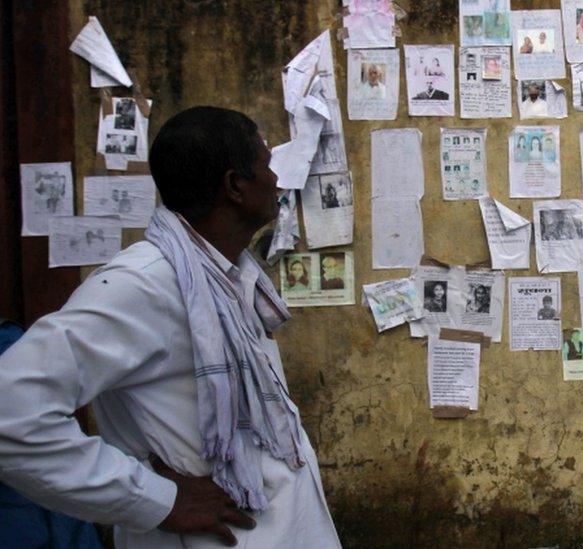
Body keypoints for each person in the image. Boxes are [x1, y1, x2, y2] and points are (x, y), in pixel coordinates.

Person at [0, 107, 342, 547]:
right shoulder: (142, 284)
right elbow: (10, 414)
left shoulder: (230, 277)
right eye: (265, 164)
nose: (276, 180)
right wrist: (156, 498)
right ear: (235, 186)